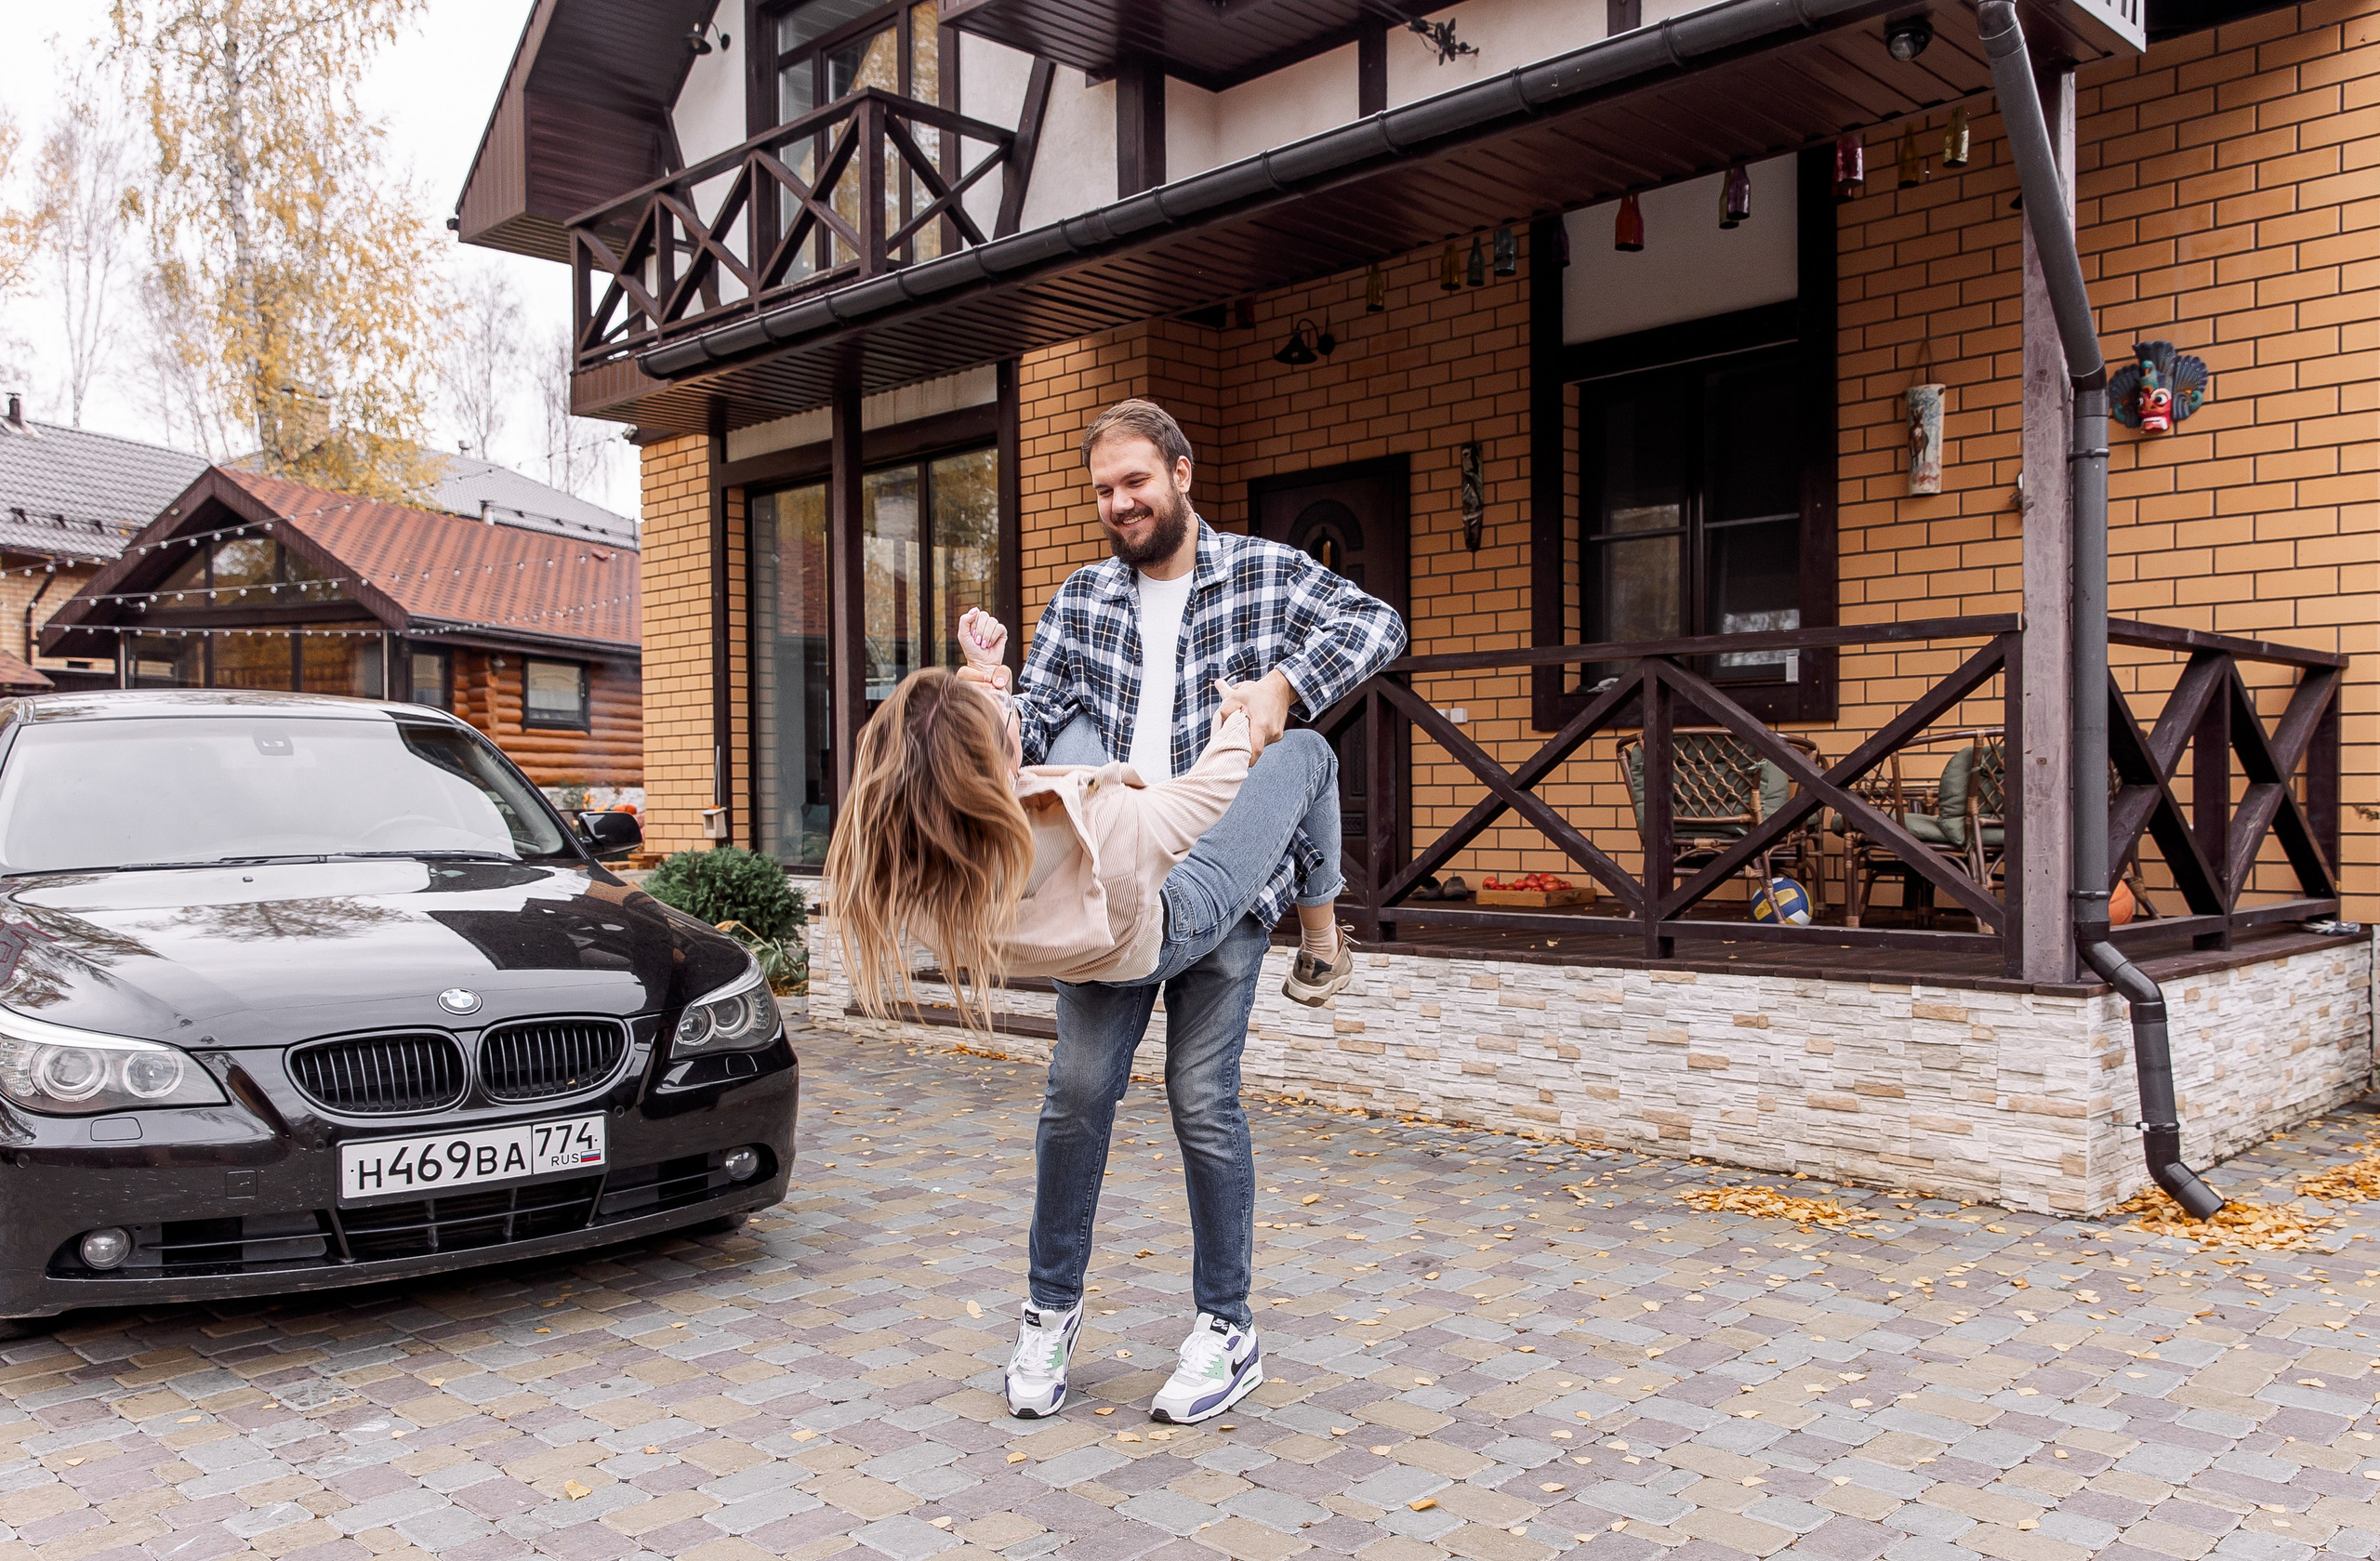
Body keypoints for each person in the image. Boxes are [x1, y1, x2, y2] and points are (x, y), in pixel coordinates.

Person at [1004, 398, 1405, 1423]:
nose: (1118, 502)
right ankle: (1049, 1310)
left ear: (1180, 471)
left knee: (1202, 1102)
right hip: (1110, 884)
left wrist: (1284, 680)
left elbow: (1377, 623)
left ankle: (1225, 1326)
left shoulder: (1265, 573)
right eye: (1101, 489)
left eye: (1134, 480)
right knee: (1076, 1093)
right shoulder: (1083, 597)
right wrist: (983, 689)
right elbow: (1029, 721)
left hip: (1224, 878)